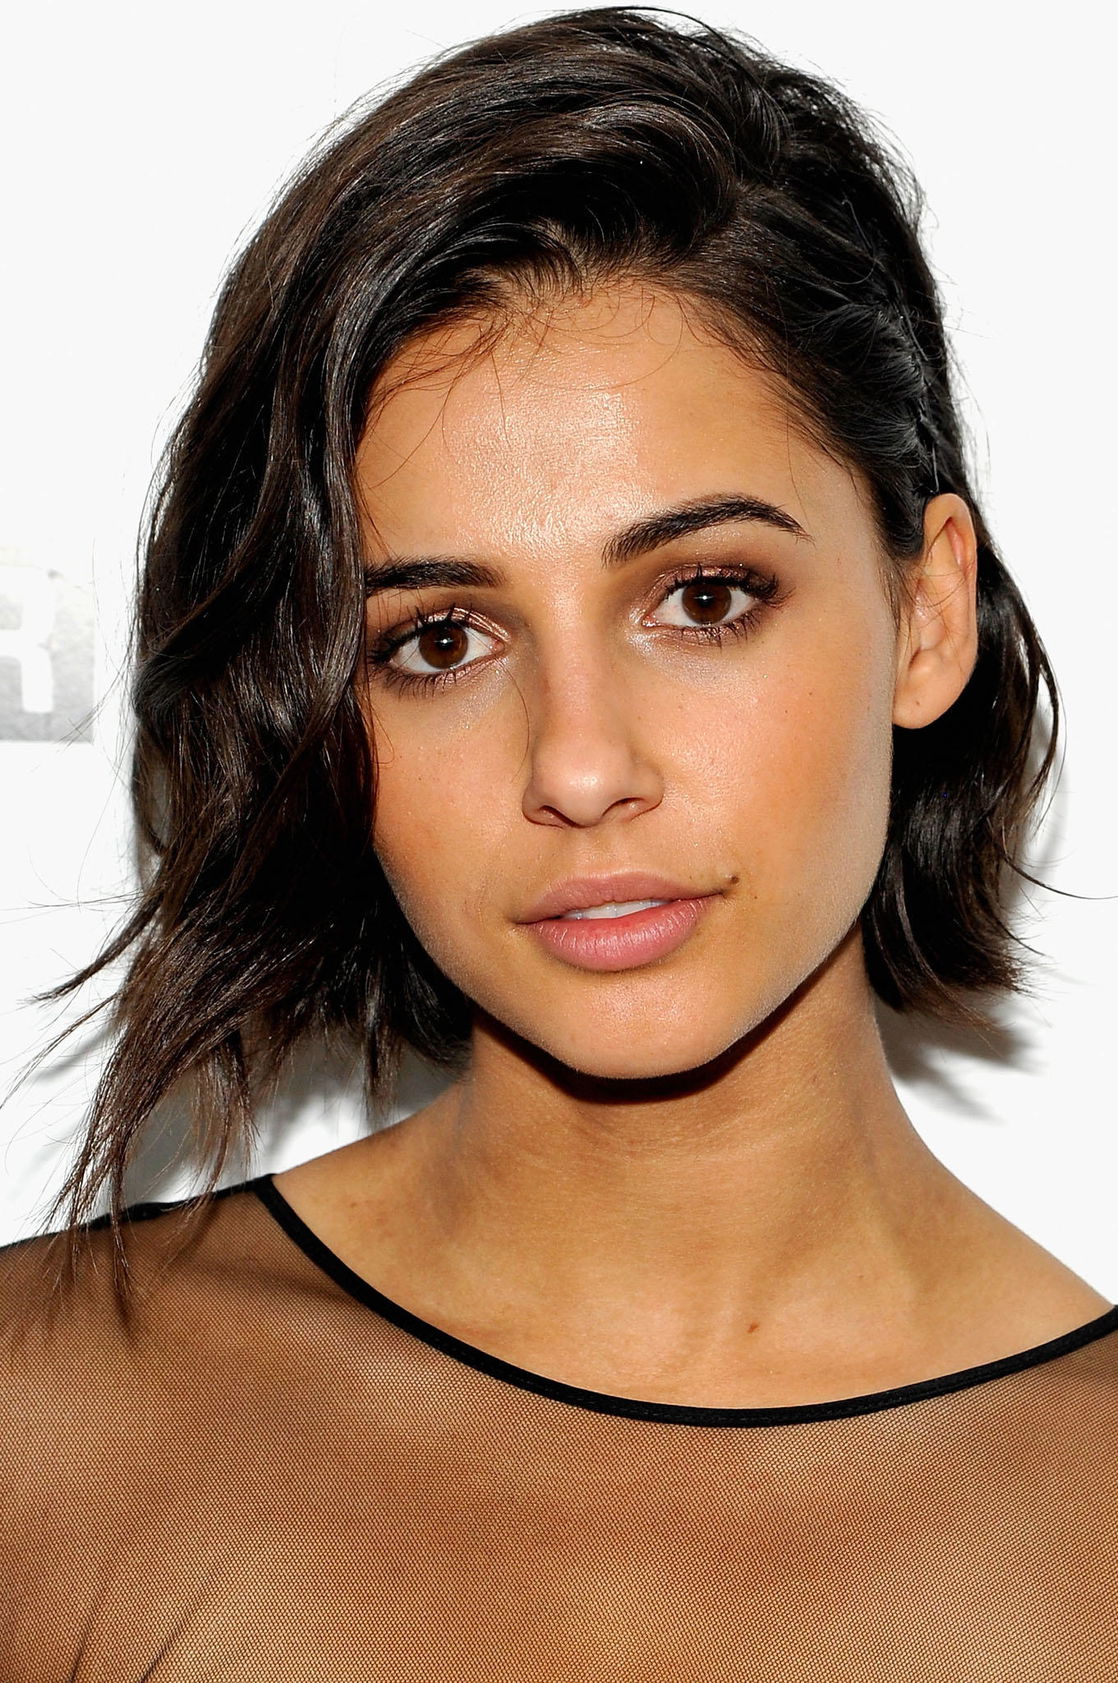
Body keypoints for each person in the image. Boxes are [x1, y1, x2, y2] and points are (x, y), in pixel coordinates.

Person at [2, 7, 1115, 1679]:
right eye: (439, 640)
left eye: (704, 598)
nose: (580, 769)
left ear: (925, 612)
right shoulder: (45, 1418)